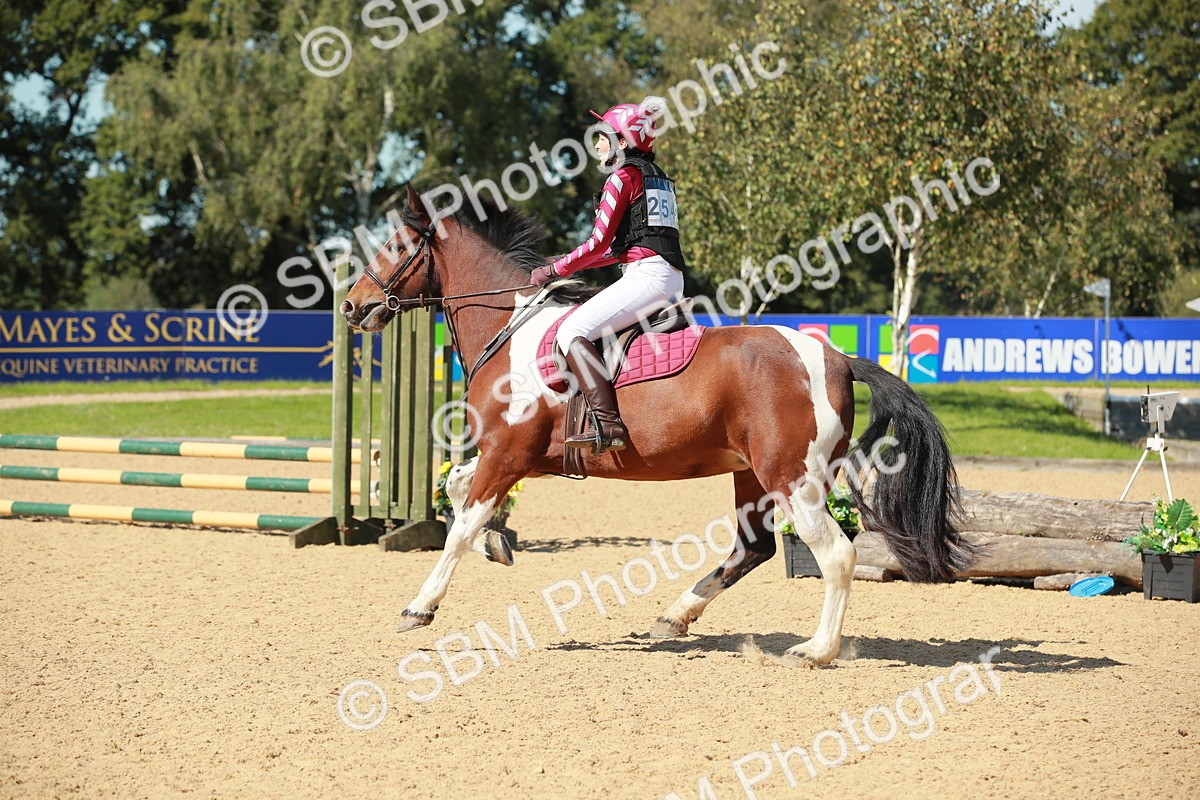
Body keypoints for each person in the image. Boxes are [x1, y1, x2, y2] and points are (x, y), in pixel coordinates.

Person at [530, 97, 687, 454]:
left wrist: (553, 269)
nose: (597, 144)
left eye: (603, 136)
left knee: (572, 331)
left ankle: (608, 424)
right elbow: (615, 250)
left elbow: (598, 243)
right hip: (668, 276)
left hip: (646, 276)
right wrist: (565, 264)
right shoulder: (657, 179)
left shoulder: (622, 177)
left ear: (622, 141)